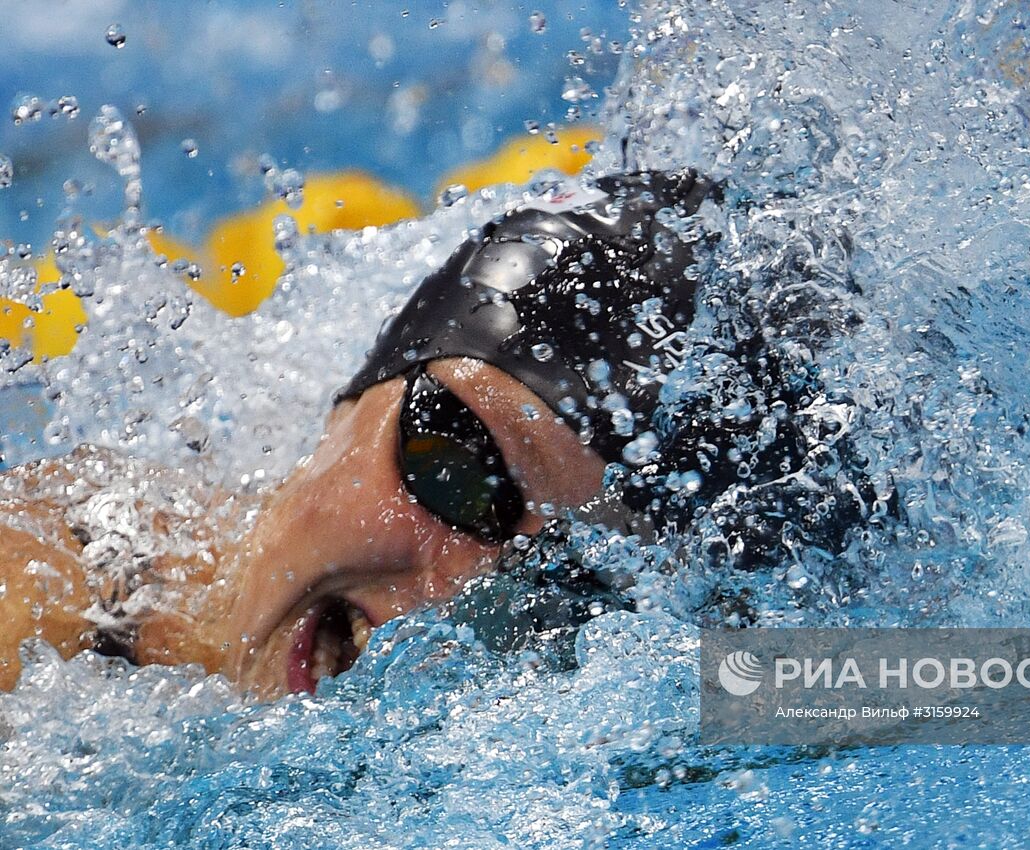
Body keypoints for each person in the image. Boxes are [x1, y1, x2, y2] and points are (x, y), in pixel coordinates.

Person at [0, 170, 719, 698]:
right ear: (355, 398)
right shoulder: (45, 602)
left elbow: (818, 689)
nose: (458, 592)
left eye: (566, 584)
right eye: (460, 471)